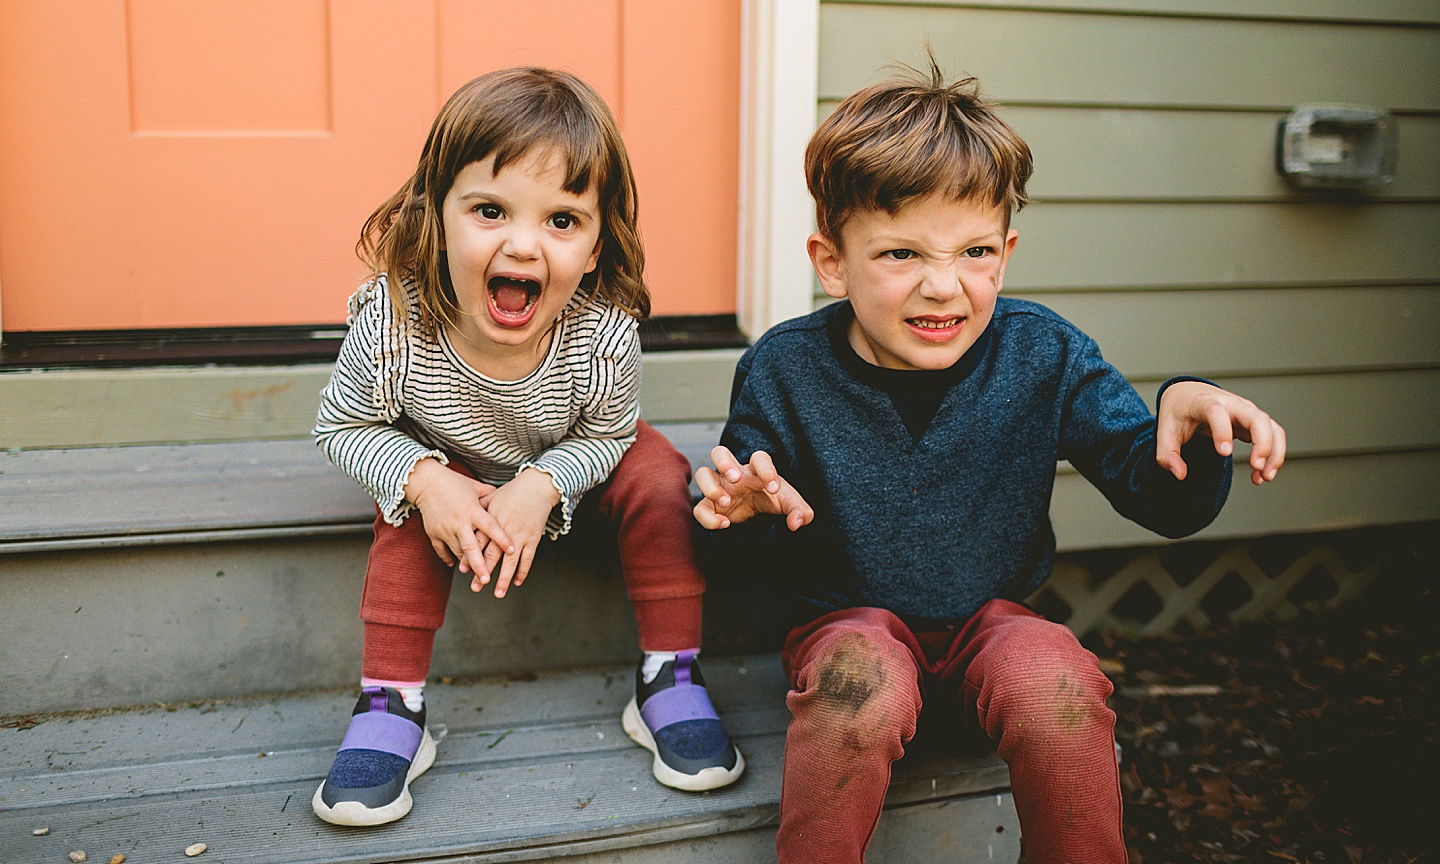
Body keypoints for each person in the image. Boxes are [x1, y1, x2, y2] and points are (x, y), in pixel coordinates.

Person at [692, 61, 1286, 864]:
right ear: (831, 262)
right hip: (848, 639)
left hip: (990, 635)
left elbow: (1163, 502)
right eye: (901, 255)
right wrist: (741, 517)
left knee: (1056, 679)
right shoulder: (786, 370)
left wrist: (1187, 423)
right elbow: (738, 521)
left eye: (973, 251)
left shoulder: (1043, 354)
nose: (944, 287)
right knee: (859, 681)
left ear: (1004, 255)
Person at [311, 67, 744, 827]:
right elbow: (344, 425)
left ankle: (668, 673)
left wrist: (543, 485)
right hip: (447, 457)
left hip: (575, 454)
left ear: (599, 238)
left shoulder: (602, 326)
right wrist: (422, 476)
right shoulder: (393, 317)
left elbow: (607, 433)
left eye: (562, 221)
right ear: (435, 213)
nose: (523, 244)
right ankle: (391, 701)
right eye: (488, 210)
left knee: (659, 474)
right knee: (410, 502)